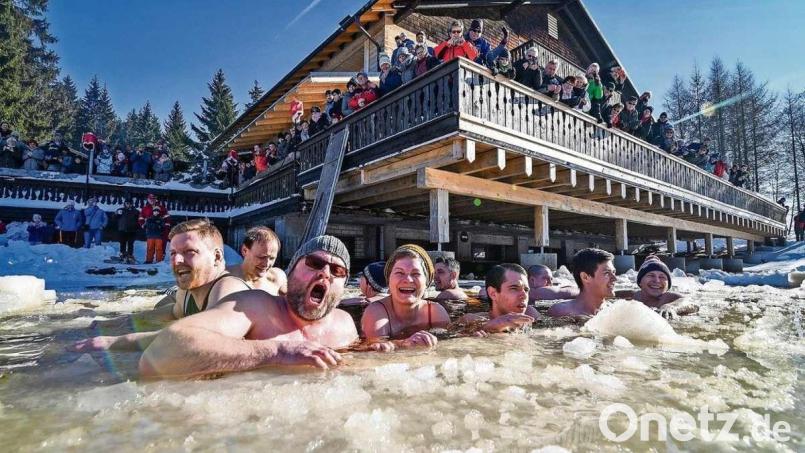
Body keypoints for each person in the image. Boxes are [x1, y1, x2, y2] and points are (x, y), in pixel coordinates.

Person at [137, 235, 358, 377]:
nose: (325, 273)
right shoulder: (254, 307)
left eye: (337, 271)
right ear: (290, 272)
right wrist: (277, 351)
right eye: (314, 263)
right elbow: (161, 353)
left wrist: (373, 347)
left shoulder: (344, 324)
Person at [71, 219, 253, 354]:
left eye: (189, 252)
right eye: (173, 253)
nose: (177, 260)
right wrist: (115, 323)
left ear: (217, 257)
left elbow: (202, 337)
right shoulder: (188, 290)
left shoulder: (228, 290)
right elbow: (173, 312)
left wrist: (113, 342)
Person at [361, 244, 451, 352]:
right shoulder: (376, 312)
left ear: (427, 282)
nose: (408, 279)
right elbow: (373, 352)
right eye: (399, 272)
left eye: (415, 273)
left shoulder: (436, 312)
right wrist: (404, 343)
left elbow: (449, 346)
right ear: (388, 280)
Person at [458, 264, 540, 334]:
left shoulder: (531, 316)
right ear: (493, 293)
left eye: (526, 290)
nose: (524, 295)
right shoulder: (470, 320)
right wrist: (491, 326)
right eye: (514, 288)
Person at [546, 248, 616, 318]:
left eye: (613, 272)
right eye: (607, 273)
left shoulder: (613, 311)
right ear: (585, 277)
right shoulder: (563, 312)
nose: (615, 278)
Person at [226, 226, 287, 296]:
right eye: (261, 257)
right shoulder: (225, 278)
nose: (266, 264)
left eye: (272, 258)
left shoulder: (278, 277)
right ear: (244, 251)